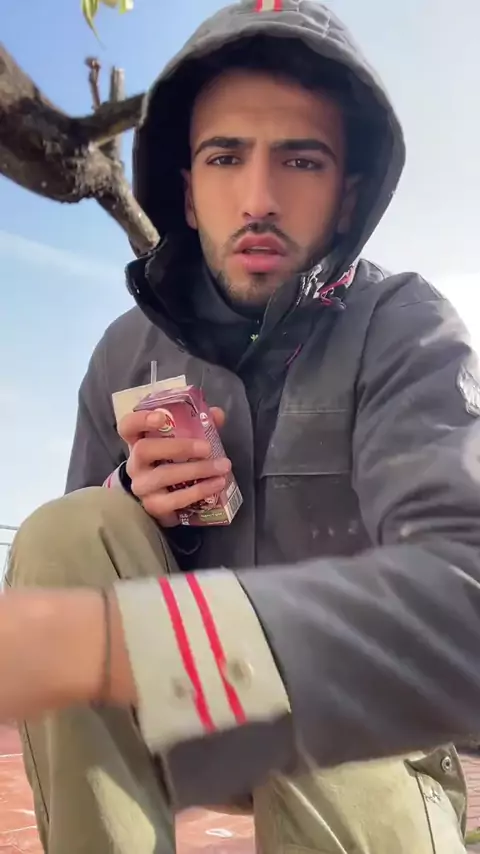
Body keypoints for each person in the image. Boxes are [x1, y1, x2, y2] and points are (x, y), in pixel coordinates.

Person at [4, 0, 480, 851]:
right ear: (187, 193)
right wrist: (130, 498)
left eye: (301, 160)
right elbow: (64, 569)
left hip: (363, 739)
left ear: (348, 196)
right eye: (225, 157)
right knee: (65, 530)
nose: (258, 199)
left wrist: (125, 644)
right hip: (172, 729)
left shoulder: (406, 328)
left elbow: (464, 597)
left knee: (333, 686)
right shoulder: (123, 352)